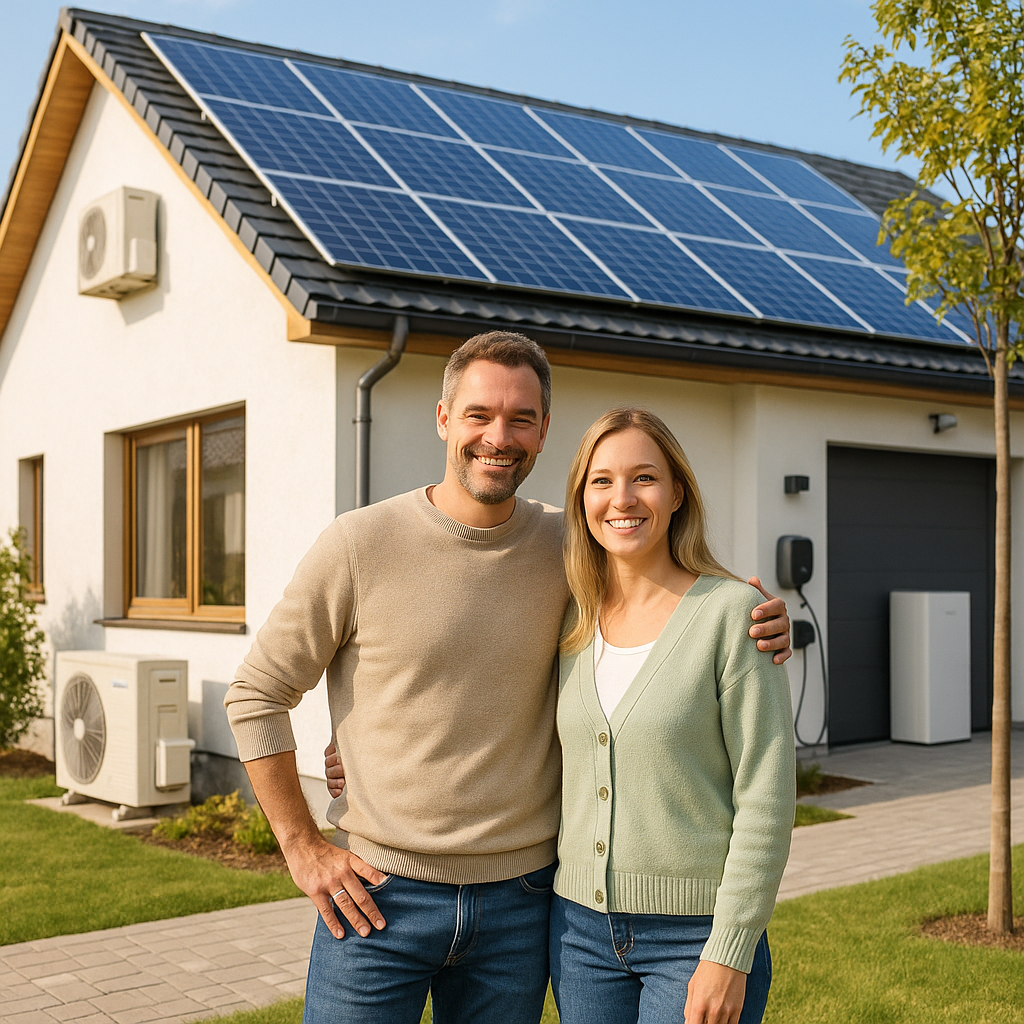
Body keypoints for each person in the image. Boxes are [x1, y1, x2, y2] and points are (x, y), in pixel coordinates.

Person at [226, 332, 791, 1024]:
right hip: (379, 899)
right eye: (478, 415)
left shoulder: (572, 548)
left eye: (521, 418)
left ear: (545, 431)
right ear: (442, 419)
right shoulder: (358, 545)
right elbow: (257, 694)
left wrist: (754, 613)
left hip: (521, 908)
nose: (500, 436)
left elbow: (664, 593)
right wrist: (302, 845)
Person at [549, 407, 796, 1024]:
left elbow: (766, 795)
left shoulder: (733, 615)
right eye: (601, 481)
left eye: (645, 478)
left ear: (678, 491)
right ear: (581, 499)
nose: (622, 498)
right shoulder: (567, 622)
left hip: (695, 938)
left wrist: (730, 951)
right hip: (577, 933)